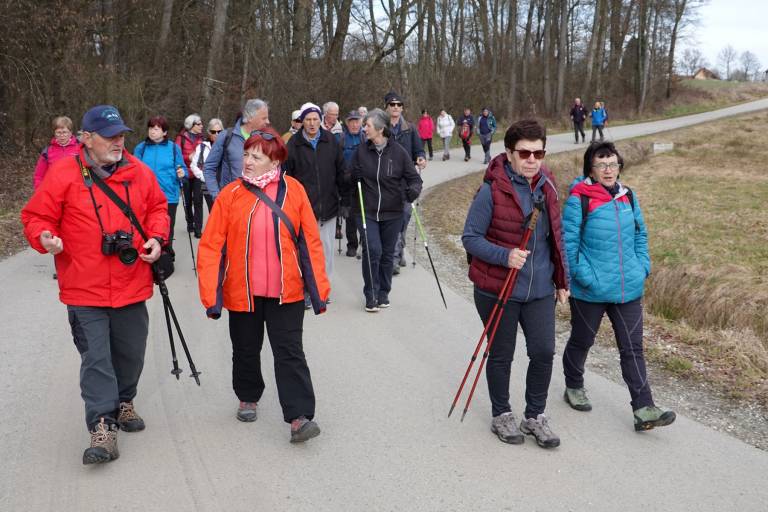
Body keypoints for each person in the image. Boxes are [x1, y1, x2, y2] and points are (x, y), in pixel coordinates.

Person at [21, 104, 169, 465]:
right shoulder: (63, 174)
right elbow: (36, 216)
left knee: (131, 354)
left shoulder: (139, 172)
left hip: (131, 284)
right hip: (83, 288)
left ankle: (124, 400)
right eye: (109, 136)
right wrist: (44, 237)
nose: (118, 142)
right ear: (86, 138)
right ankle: (102, 426)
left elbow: (158, 209)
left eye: (121, 136)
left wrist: (156, 238)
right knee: (96, 359)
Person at [197, 128, 329, 443]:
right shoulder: (230, 194)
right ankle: (248, 396)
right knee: (245, 348)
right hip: (243, 290)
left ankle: (299, 417)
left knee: (290, 352)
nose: (247, 161)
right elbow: (211, 246)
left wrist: (318, 290)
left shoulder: (294, 191)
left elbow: (310, 242)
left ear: (275, 161)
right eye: (246, 154)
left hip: (287, 291)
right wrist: (210, 295)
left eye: (256, 157)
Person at [462, 119, 569, 449]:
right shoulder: (491, 191)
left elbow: (557, 237)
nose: (532, 159)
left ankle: (534, 416)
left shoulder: (548, 186)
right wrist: (505, 255)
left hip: (539, 288)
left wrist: (562, 280)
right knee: (501, 354)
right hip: (499, 287)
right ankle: (502, 414)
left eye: (539, 153)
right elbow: (470, 238)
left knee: (544, 352)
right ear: (509, 153)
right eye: (525, 153)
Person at [561, 141, 676, 432]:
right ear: (591, 169)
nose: (608, 170)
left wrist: (642, 266)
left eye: (613, 164)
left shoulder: (629, 196)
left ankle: (644, 408)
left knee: (632, 348)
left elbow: (640, 235)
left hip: (628, 289)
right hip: (591, 290)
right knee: (582, 341)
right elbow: (568, 246)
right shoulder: (579, 199)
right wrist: (585, 277)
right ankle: (574, 385)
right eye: (601, 165)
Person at [349, 108, 422, 312]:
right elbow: (347, 178)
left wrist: (413, 191)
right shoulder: (361, 151)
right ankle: (371, 293)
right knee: (373, 250)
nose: (364, 129)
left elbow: (415, 179)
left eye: (367, 125)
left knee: (387, 254)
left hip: (393, 212)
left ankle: (383, 293)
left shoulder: (398, 152)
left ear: (380, 129)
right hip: (367, 211)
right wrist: (353, 176)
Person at [283, 102, 347, 306]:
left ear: (321, 120)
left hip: (328, 206)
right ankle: (307, 290)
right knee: (306, 251)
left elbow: (341, 171)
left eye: (315, 119)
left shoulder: (331, 141)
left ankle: (322, 289)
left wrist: (345, 200)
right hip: (303, 209)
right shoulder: (293, 145)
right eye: (308, 120)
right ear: (302, 121)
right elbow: (287, 178)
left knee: (326, 251)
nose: (312, 123)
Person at [384, 91, 426, 272]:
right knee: (393, 219)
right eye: (392, 104)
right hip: (386, 181)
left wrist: (421, 158)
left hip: (406, 182)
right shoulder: (381, 127)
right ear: (386, 107)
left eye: (399, 105)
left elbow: (419, 150)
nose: (396, 107)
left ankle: (399, 249)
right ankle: (393, 260)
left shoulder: (410, 128)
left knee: (404, 217)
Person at [134, 116, 187, 255]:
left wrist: (182, 173)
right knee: (146, 226)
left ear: (164, 132)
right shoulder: (141, 148)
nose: (152, 131)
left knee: (167, 227)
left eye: (156, 129)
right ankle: (149, 253)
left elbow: (183, 169)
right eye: (151, 128)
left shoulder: (174, 148)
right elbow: (133, 170)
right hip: (145, 196)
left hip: (169, 195)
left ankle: (166, 256)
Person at [203, 98, 270, 199]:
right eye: (264, 118)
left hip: (259, 200)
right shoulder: (226, 136)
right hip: (231, 200)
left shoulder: (267, 139)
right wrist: (217, 195)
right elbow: (209, 168)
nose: (268, 122)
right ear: (250, 118)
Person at [341, 110, 366, 258]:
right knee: (349, 215)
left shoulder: (365, 138)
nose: (354, 124)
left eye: (357, 121)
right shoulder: (342, 139)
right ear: (347, 123)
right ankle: (352, 245)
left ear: (361, 122)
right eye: (351, 121)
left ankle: (364, 241)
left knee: (364, 212)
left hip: (364, 180)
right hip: (347, 181)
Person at [175, 114, 205, 237]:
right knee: (187, 201)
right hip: (186, 174)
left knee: (198, 201)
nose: (202, 126)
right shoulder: (180, 138)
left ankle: (198, 229)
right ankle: (190, 223)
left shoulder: (202, 138)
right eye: (199, 124)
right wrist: (188, 157)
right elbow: (176, 155)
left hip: (198, 173)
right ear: (191, 125)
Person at [33, 116, 81, 189]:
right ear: (54, 133)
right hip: (54, 189)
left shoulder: (80, 148)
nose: (62, 136)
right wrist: (40, 190)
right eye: (58, 132)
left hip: (76, 189)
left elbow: (88, 172)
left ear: (70, 133)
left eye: (64, 132)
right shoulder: (47, 152)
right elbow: (39, 176)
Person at [189, 118, 224, 214]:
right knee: (211, 208)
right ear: (209, 132)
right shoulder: (202, 146)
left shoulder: (227, 146)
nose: (216, 134)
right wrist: (204, 176)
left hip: (224, 183)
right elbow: (193, 165)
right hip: (208, 183)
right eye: (213, 132)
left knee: (221, 211)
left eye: (219, 132)